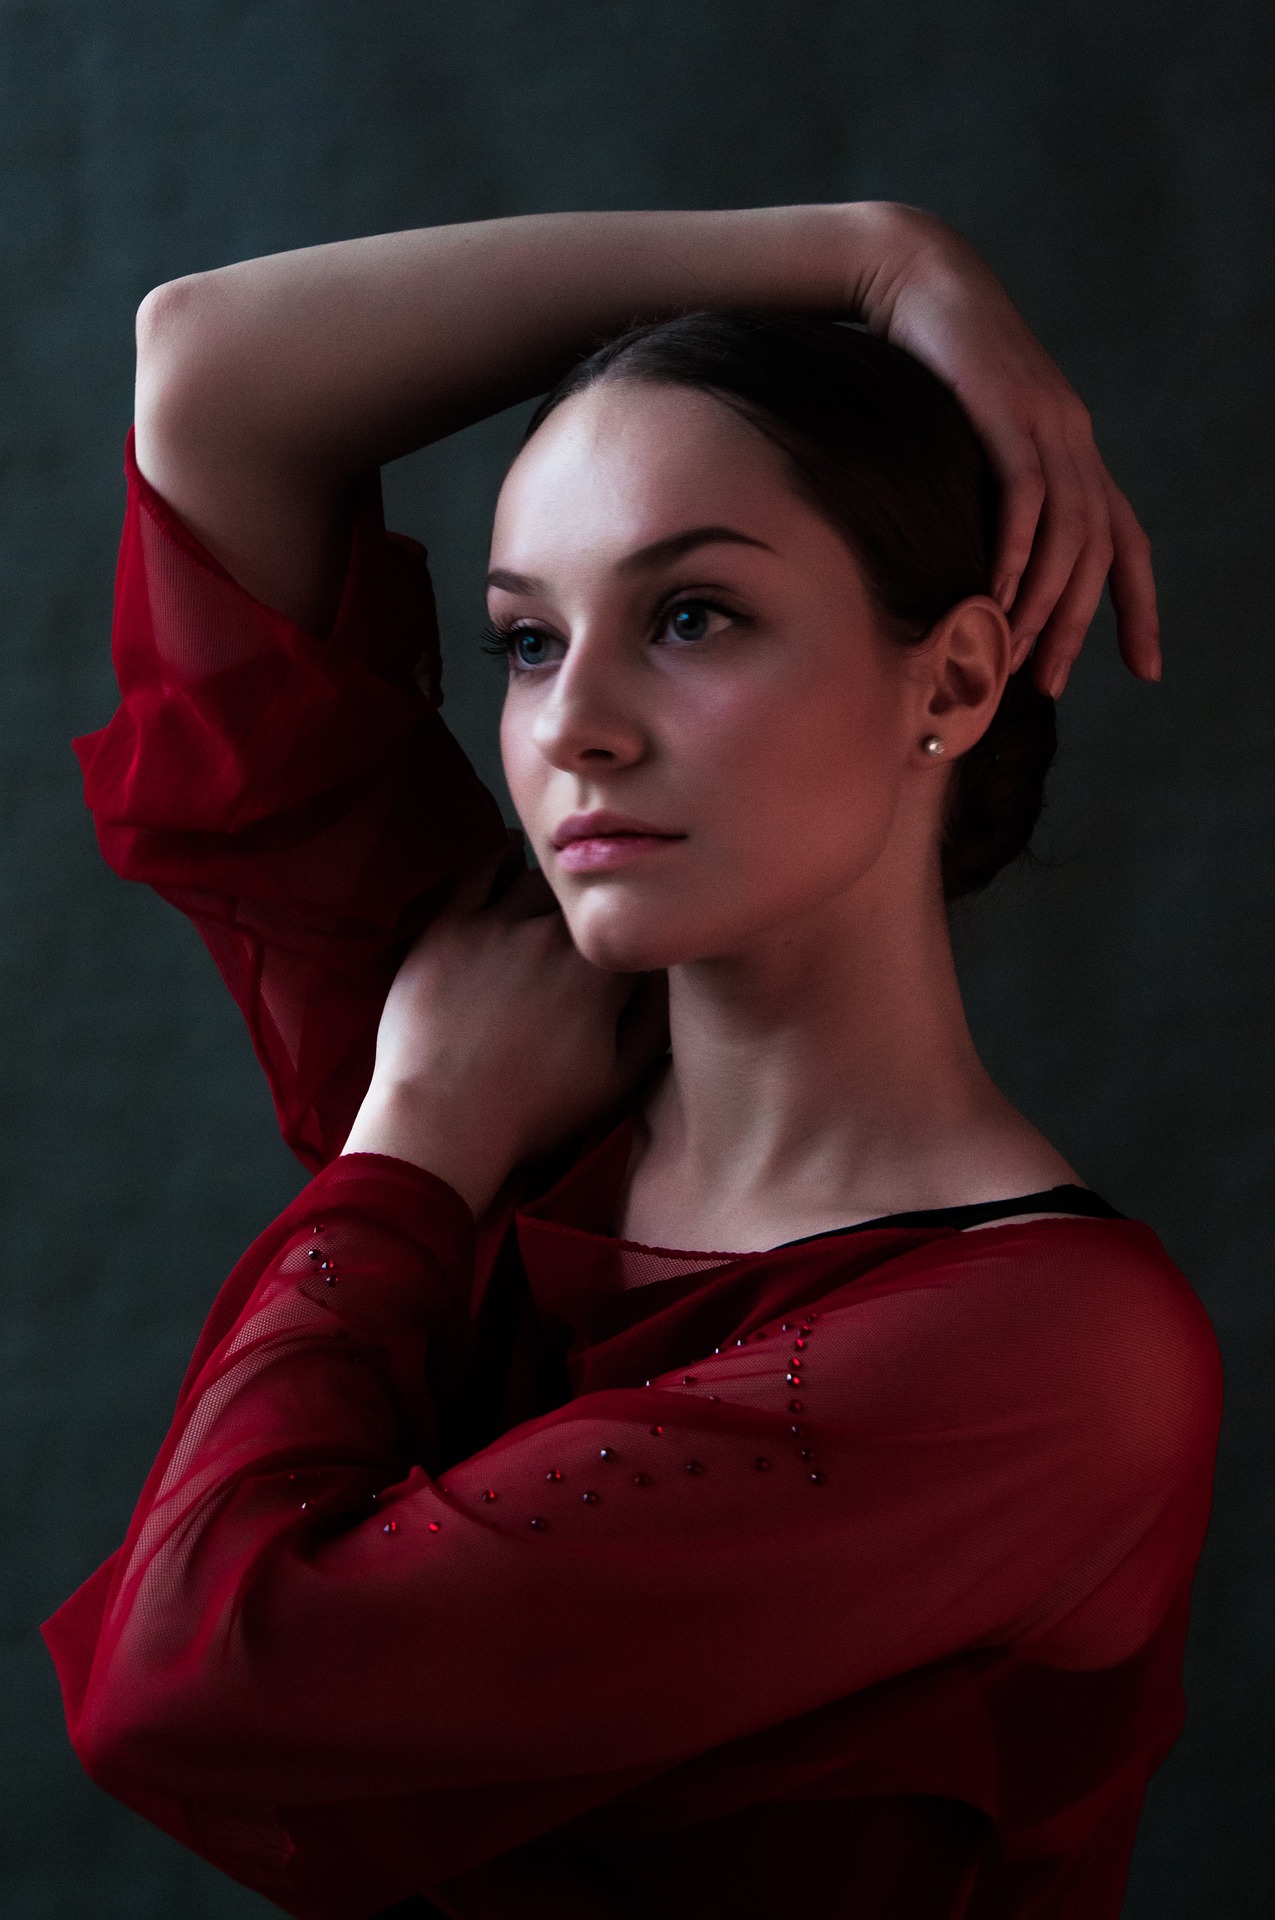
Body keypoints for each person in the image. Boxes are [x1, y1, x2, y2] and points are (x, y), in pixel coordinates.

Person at [43, 205, 1219, 1920]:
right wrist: (866, 254)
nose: (572, 727)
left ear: (955, 676)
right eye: (528, 640)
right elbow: (212, 372)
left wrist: (410, 1143)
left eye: (692, 616)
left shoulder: (1051, 1360)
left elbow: (194, 1676)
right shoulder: (512, 1026)